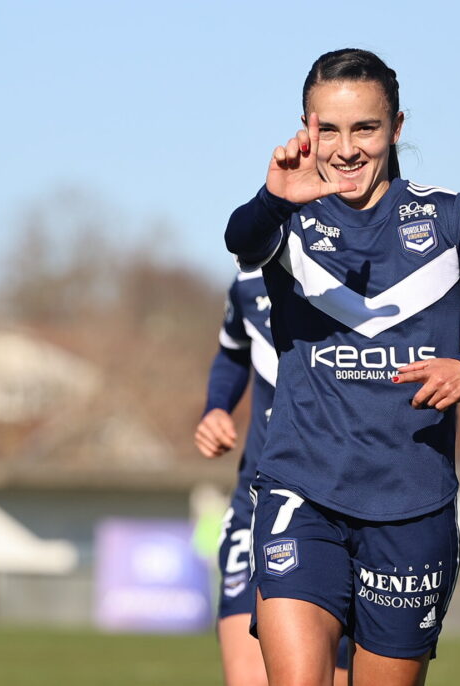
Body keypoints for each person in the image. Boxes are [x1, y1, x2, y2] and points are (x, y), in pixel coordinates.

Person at [224, 48, 460, 686]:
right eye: (328, 128)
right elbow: (240, 239)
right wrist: (273, 199)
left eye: (366, 129)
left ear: (397, 127)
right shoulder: (288, 215)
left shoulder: (452, 216)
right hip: (304, 490)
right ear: (306, 127)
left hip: (413, 504)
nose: (346, 148)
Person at [195, 273, 348, 686]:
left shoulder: (368, 266)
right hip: (257, 503)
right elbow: (231, 351)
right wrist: (216, 408)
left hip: (344, 512)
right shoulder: (249, 277)